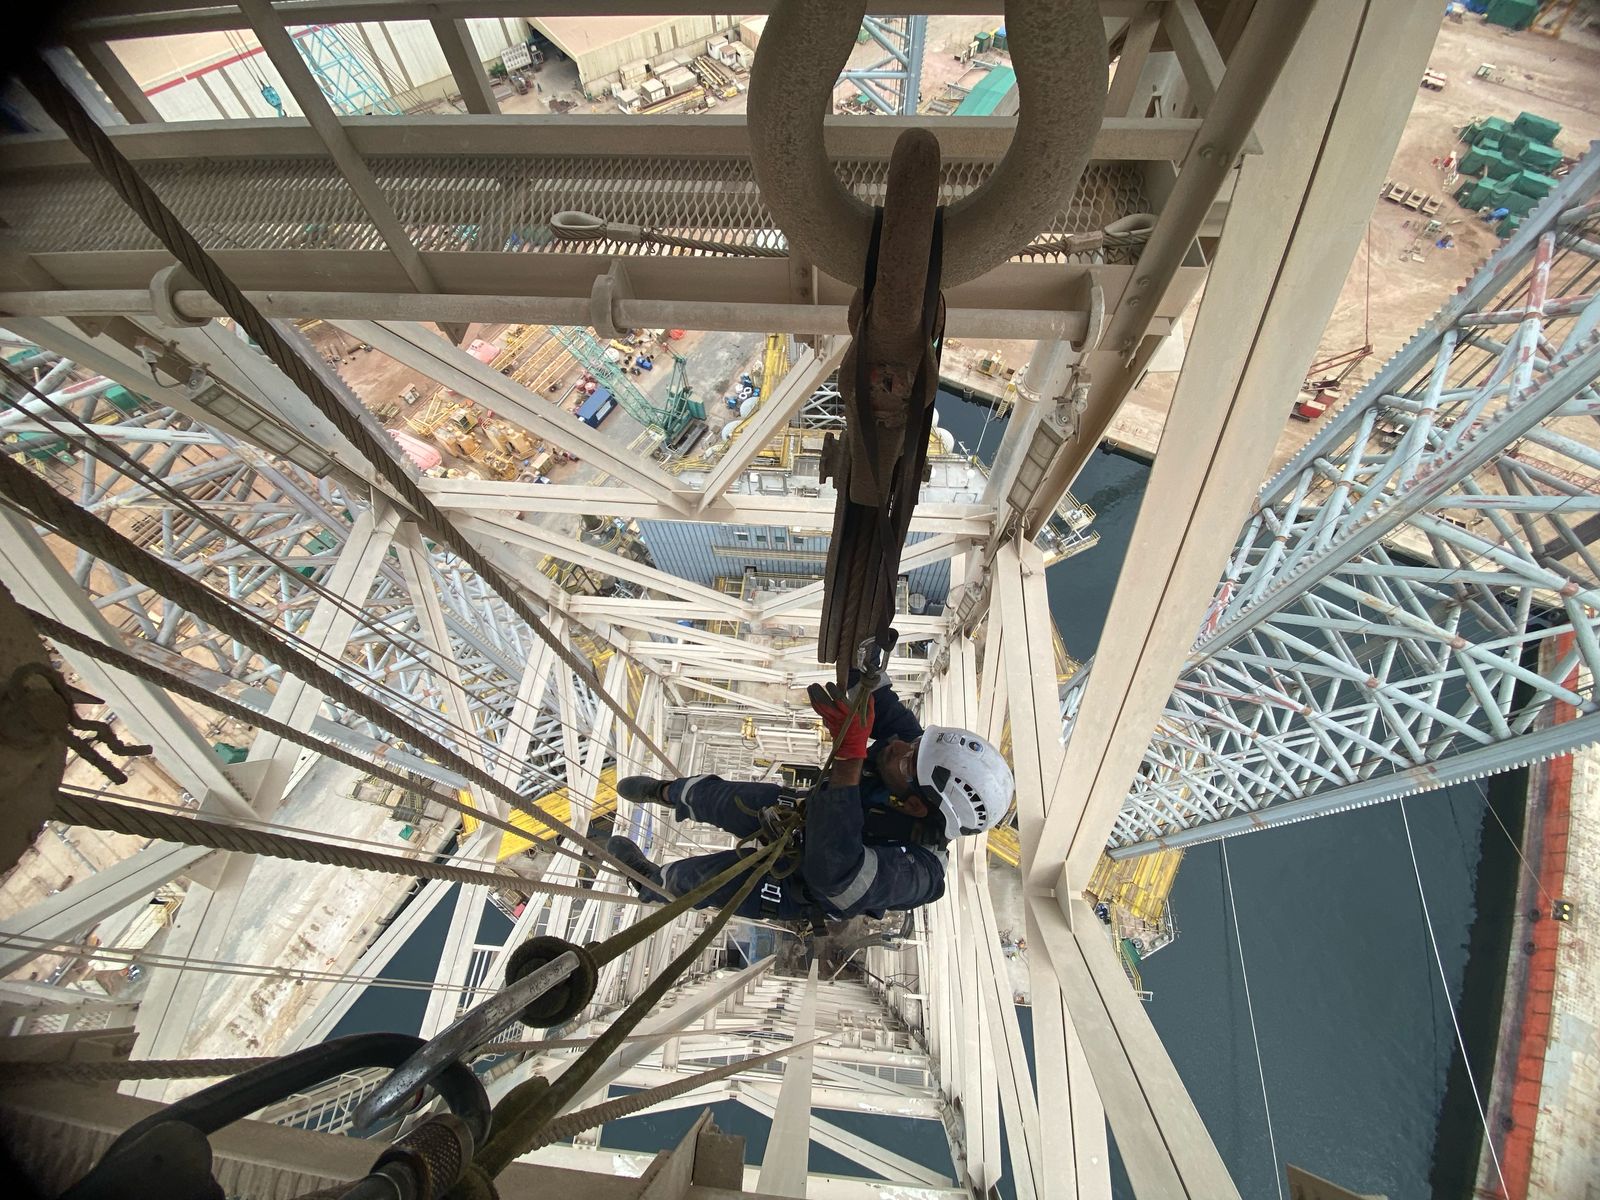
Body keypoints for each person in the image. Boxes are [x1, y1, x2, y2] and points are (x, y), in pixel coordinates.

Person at [606, 678, 1013, 923]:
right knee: (720, 797)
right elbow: (868, 686)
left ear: (916, 806)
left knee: (696, 882)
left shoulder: (922, 876)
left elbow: (835, 876)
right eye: (917, 742)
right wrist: (864, 650)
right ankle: (667, 792)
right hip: (806, 813)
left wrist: (851, 754)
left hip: (793, 883)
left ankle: (649, 882)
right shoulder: (915, 759)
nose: (901, 746)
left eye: (911, 758)